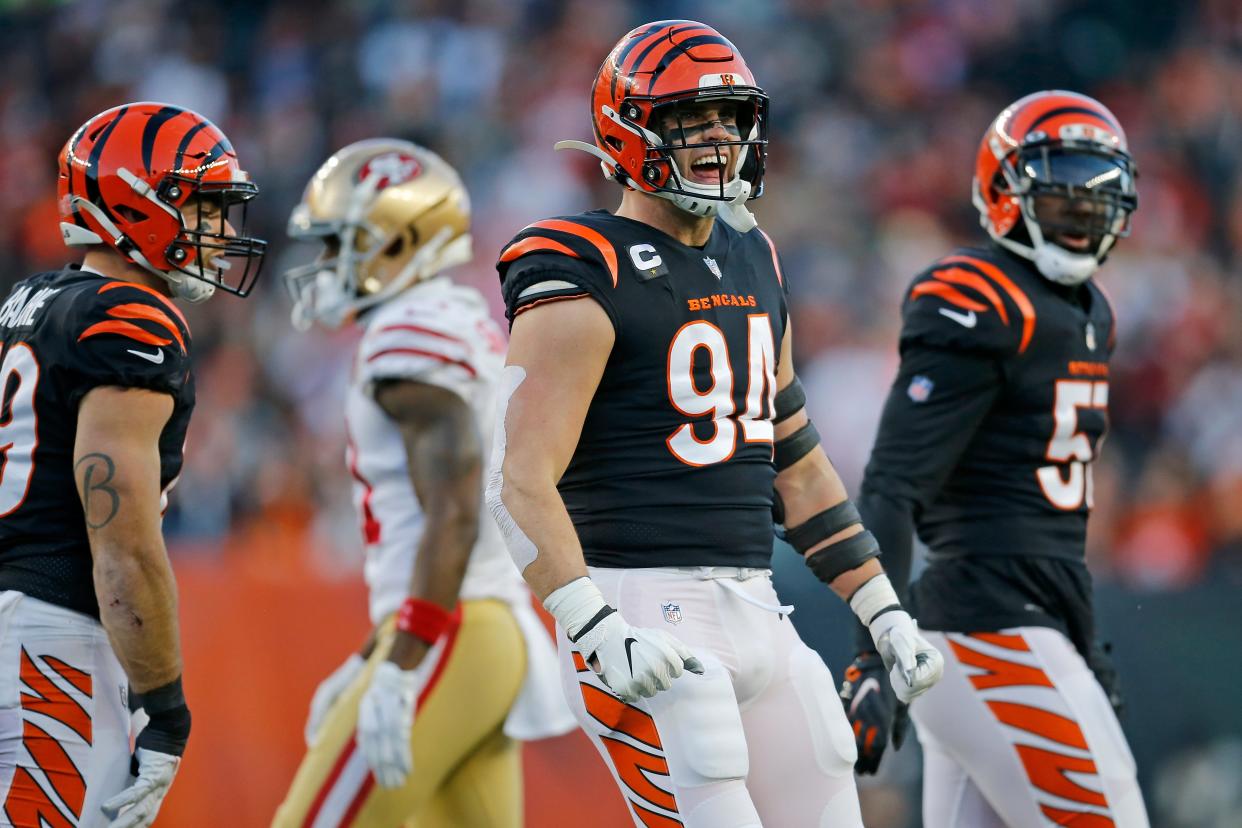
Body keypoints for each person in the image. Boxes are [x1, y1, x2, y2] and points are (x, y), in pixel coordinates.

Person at [488, 20, 942, 828]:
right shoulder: (583, 266)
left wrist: (881, 606)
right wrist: (590, 622)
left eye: (731, 118)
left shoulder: (753, 256)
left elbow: (795, 461)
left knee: (829, 778)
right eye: (688, 119)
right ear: (626, 130)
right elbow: (518, 479)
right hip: (638, 605)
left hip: (758, 602)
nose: (718, 138)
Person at [840, 90, 1150, 826]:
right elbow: (891, 485)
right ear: (1005, 191)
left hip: (1021, 623)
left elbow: (1051, 523)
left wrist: (1080, 636)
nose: (1082, 210)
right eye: (1062, 189)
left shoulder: (1090, 312)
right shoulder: (977, 295)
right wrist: (872, 653)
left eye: (1096, 193)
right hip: (990, 634)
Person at [272, 139, 573, 828]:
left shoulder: (408, 331)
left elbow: (456, 508)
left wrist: (403, 658)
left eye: (338, 243)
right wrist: (372, 654)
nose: (323, 265)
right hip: (477, 629)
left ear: (401, 240)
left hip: (452, 630)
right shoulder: (450, 315)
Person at [0, 102, 266, 828]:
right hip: (52, 636)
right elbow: (119, 541)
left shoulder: (33, 300)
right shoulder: (129, 318)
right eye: (207, 208)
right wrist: (167, 709)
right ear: (141, 204)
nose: (225, 234)